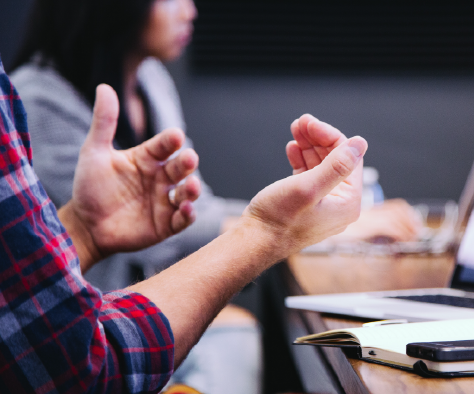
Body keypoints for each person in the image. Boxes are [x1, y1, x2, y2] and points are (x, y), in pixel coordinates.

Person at [10, 0, 417, 391]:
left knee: (240, 334)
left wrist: (84, 229)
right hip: (94, 340)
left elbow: (190, 211)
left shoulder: (150, 80)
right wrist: (291, 227)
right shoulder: (38, 100)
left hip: (122, 329)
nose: (191, 10)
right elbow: (169, 242)